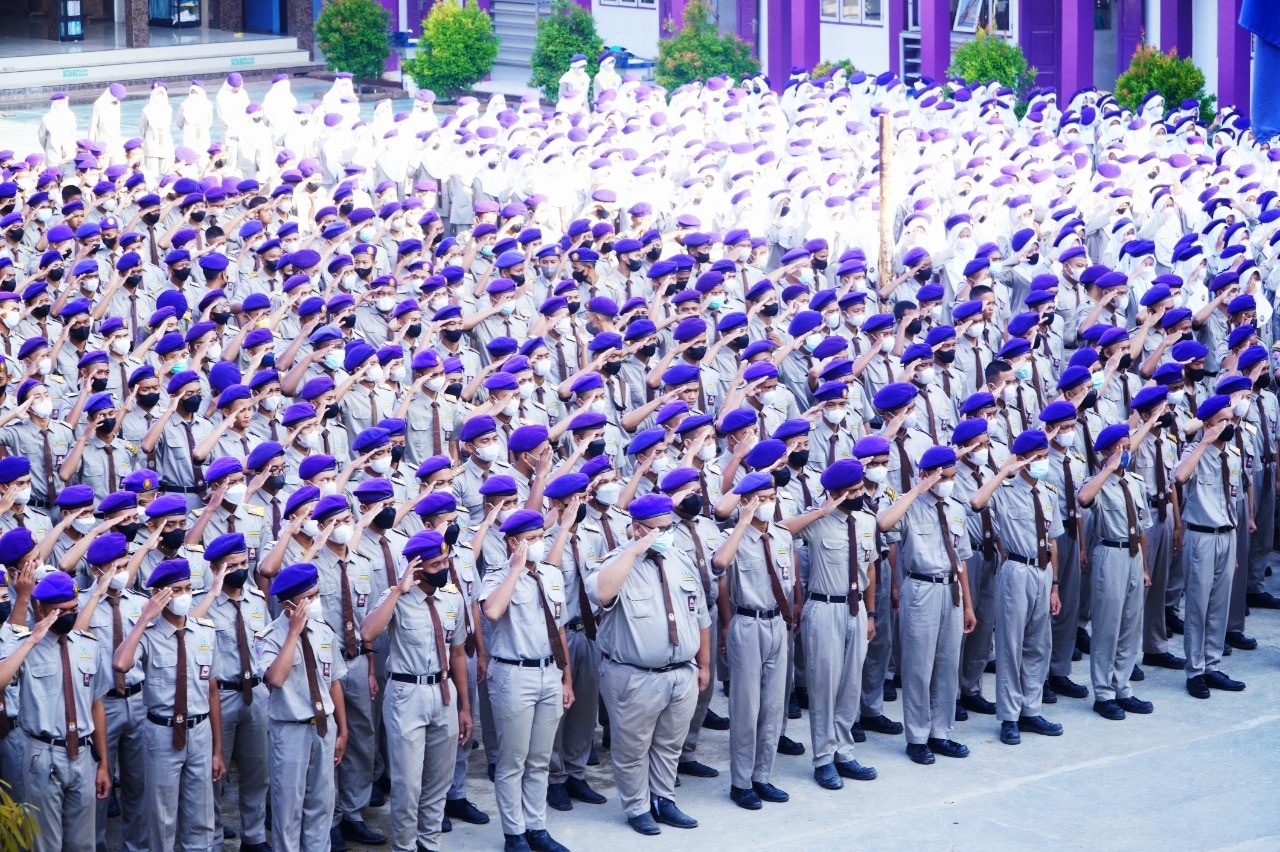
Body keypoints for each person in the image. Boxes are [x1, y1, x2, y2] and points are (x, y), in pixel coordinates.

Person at [589, 493, 711, 836]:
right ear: (637, 529)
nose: (665, 534)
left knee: (670, 744)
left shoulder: (680, 558)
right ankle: (637, 807)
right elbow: (601, 593)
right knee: (632, 748)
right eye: (657, 529)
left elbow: (699, 612)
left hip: (680, 672)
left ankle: (663, 799)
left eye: (668, 527)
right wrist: (634, 550)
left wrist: (703, 664)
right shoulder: (616, 563)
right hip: (634, 675)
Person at [360, 529, 471, 852]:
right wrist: (398, 589)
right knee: (408, 785)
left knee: (439, 781)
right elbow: (368, 632)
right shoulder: (396, 596)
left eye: (446, 561)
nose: (444, 568)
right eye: (436, 564)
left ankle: (429, 844)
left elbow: (459, 652)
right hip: (407, 694)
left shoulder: (452, 597)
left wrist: (464, 706)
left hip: (443, 691)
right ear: (418, 567)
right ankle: (405, 847)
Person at [0, 549, 112, 852]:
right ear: (41, 607)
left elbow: (96, 704)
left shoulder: (88, 645)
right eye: (60, 611)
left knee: (83, 842)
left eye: (73, 609)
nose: (69, 616)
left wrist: (103, 764)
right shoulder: (24, 643)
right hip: (42, 753)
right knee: (44, 842)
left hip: (84, 754)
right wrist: (33, 638)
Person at [111, 557, 225, 850]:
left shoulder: (205, 632)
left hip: (199, 730)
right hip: (161, 732)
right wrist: (144, 618)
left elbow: (212, 691)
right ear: (159, 594)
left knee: (201, 815)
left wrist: (217, 750)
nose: (184, 596)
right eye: (176, 590)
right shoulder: (148, 635)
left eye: (187, 588)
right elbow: (121, 664)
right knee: (161, 817)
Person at [875, 445, 975, 765]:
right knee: (919, 666)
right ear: (926, 475)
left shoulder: (956, 508)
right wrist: (918, 488)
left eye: (952, 476)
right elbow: (883, 523)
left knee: (947, 665)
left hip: (951, 590)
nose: (948, 482)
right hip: (920, 588)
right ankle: (917, 736)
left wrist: (969, 605)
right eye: (942, 477)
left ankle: (941, 732)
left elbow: (961, 561)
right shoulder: (909, 506)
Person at [480, 509, 573, 852]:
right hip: (513, 674)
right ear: (513, 542)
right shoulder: (496, 575)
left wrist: (567, 679)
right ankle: (514, 834)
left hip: (549, 671)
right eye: (531, 540)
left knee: (540, 759)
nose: (539, 544)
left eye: (541, 538)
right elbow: (491, 612)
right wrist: (515, 569)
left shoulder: (551, 574)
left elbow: (559, 629)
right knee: (512, 760)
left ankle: (537, 828)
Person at [784, 459, 879, 789]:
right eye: (851, 492)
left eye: (859, 489)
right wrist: (820, 512)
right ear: (835, 493)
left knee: (850, 685)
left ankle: (844, 752)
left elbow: (872, 569)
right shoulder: (817, 521)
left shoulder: (867, 520)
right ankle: (823, 759)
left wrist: (871, 613)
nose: (858, 495)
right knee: (823, 686)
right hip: (824, 607)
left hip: (856, 609)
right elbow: (780, 530)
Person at [968, 429, 1065, 746]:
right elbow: (976, 501)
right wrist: (1004, 470)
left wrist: (1055, 586)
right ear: (1023, 461)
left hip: (1042, 571)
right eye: (1037, 458)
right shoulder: (1005, 488)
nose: (1043, 462)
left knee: (1038, 645)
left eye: (1044, 456)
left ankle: (1030, 710)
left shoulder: (1048, 491)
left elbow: (1053, 541)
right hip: (1016, 569)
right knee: (1010, 644)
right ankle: (1009, 716)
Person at [712, 472, 795, 809]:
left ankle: (763, 775)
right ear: (745, 500)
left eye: (771, 496)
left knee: (774, 706)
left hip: (777, 622)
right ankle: (741, 781)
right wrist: (743, 519)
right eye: (760, 498)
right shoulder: (732, 536)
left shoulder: (781, 535)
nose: (767, 503)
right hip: (747, 622)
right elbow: (719, 563)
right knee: (746, 707)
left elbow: (789, 580)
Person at [256, 563, 349, 852]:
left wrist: (342, 730)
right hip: (290, 730)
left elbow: (333, 681)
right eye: (309, 597)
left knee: (322, 805)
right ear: (288, 605)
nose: (317, 601)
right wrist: (293, 633)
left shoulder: (324, 631)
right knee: (288, 809)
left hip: (324, 725)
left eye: (316, 594)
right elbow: (275, 678)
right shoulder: (268, 636)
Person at [191, 532, 272, 852]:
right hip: (220, 696)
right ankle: (211, 839)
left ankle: (253, 837)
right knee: (215, 773)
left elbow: (264, 646)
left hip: (256, 693)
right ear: (215, 569)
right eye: (231, 566)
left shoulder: (256, 600)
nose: (240, 570)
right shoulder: (202, 603)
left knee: (257, 771)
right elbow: (189, 628)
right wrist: (213, 592)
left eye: (243, 563)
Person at [1077, 421, 1156, 720]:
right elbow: (1084, 499)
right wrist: (1107, 469)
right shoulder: (1096, 481)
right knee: (1107, 627)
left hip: (1134, 555)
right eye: (1121, 447)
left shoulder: (1134, 482)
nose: (1126, 451)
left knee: (1130, 626)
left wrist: (1145, 567)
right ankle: (1104, 693)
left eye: (1127, 446)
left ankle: (1122, 687)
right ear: (1107, 451)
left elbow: (1143, 528)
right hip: (1110, 552)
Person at [1174, 395, 1249, 698]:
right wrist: (1205, 441)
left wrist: (1233, 540)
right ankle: (1194, 670)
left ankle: (1212, 665)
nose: (1229, 425)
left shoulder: (1233, 454)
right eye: (1222, 421)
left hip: (1225, 535)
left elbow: (1235, 500)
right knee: (1197, 605)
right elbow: (1179, 477)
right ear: (1207, 424)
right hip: (1201, 535)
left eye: (1231, 420)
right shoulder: (1194, 450)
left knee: (1219, 604)